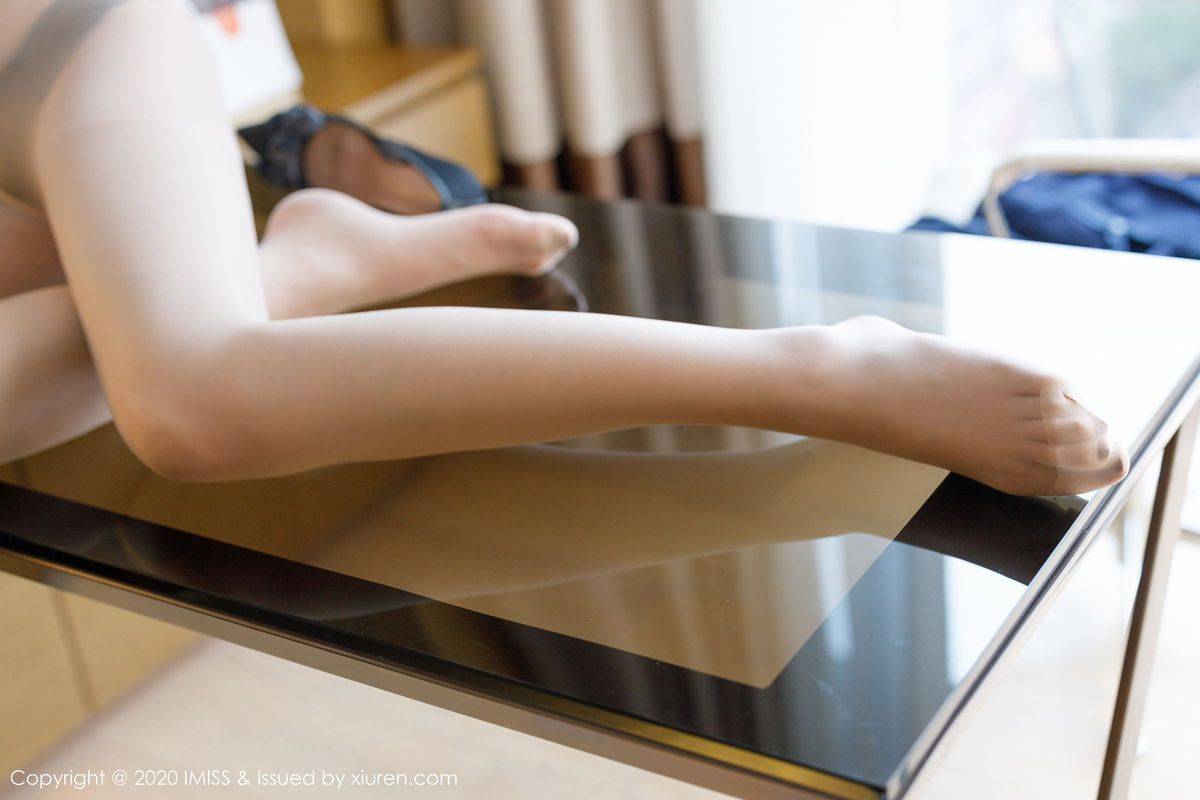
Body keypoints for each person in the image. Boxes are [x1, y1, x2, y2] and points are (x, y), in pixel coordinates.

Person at [0, 0, 1126, 496]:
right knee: (141, 363)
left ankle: (822, 370)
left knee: (189, 403)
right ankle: (300, 264)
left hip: (55, 49)